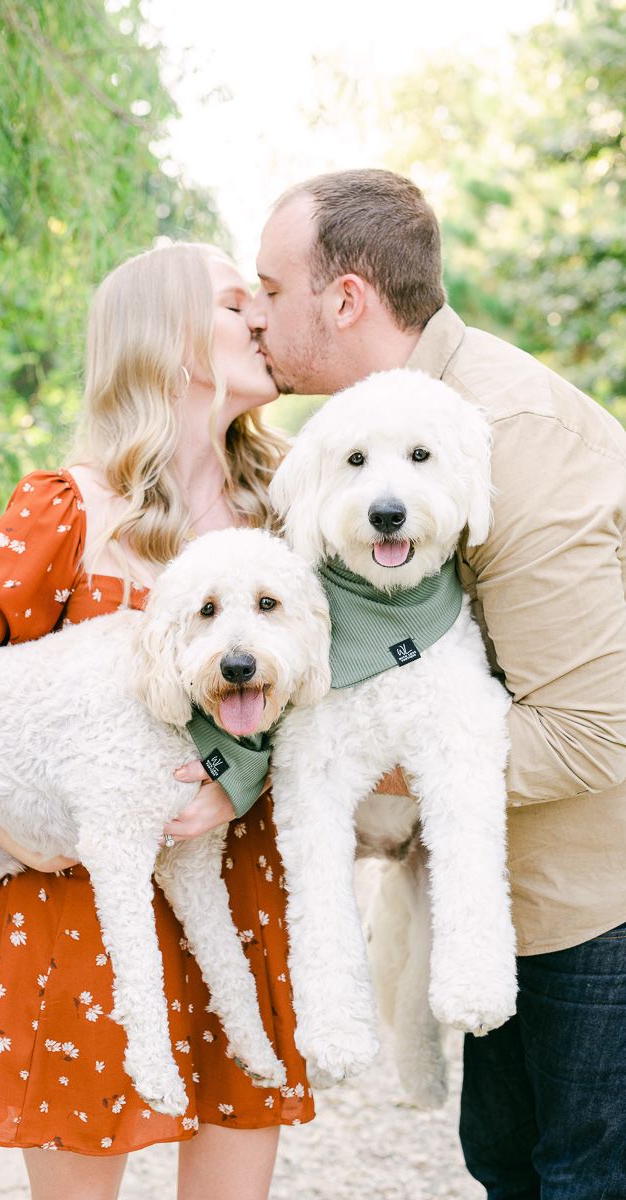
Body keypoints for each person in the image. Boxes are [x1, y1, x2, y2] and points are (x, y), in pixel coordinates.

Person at [0, 242, 313, 1200]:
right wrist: (11, 828)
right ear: (174, 339)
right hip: (75, 920)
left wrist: (240, 785)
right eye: (239, 305)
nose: (265, 319)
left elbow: (328, 706)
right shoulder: (67, 512)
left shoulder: (293, 515)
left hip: (237, 888)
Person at [245, 168, 626, 1198]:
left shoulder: (516, 437)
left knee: (581, 1177)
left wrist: (363, 771)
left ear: (347, 299)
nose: (256, 315)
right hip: (502, 879)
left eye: (272, 290)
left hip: (594, 903)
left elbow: (595, 735)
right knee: (505, 1163)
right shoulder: (364, 451)